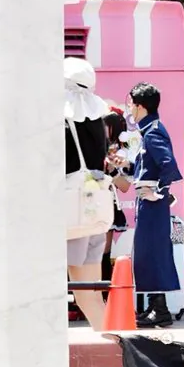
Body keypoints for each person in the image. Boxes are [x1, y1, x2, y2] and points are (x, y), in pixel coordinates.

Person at [123, 82, 182, 329]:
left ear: (140, 106)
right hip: (147, 203)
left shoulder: (152, 132)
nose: (129, 109)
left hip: (152, 205)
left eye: (131, 104)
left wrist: (158, 193)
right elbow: (148, 167)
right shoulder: (149, 130)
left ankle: (160, 310)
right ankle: (154, 307)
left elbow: (168, 165)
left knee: (153, 253)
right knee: (147, 254)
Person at [64, 58, 110, 331]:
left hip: (72, 215)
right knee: (91, 295)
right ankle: (116, 346)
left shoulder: (66, 123)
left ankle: (118, 348)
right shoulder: (96, 121)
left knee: (83, 295)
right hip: (95, 211)